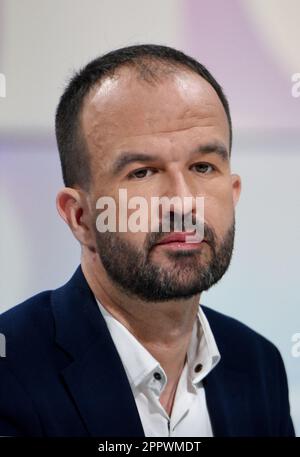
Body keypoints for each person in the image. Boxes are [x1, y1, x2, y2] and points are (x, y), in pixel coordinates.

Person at [0, 44, 295, 437]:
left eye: (203, 167)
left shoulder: (258, 363)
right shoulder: (11, 371)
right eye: (142, 172)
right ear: (80, 216)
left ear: (233, 191)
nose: (183, 201)